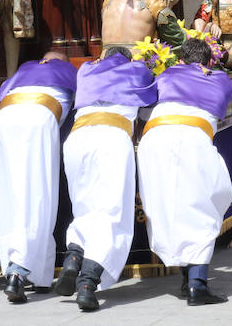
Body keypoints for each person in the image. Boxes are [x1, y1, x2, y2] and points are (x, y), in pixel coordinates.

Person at [56, 49, 157, 312]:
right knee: (110, 213)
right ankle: (87, 283)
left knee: (84, 206)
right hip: (111, 138)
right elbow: (153, 96)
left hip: (77, 139)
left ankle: (74, 255)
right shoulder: (136, 70)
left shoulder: (87, 69)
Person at [137, 38, 232, 306]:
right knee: (202, 207)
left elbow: (144, 106)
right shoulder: (222, 80)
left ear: (180, 60)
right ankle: (197, 286)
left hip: (154, 140)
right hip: (192, 139)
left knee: (167, 206)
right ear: (210, 62)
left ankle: (187, 277)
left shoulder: (166, 75)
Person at [0, 50, 77, 303]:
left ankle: (39, 275)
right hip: (38, 118)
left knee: (11, 194)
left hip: (5, 118)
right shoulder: (69, 71)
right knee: (38, 194)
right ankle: (18, 270)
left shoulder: (23, 70)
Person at [99, 0, 187, 58]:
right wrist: (168, 10)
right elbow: (176, 40)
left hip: (106, 57)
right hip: (137, 60)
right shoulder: (157, 5)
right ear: (169, 0)